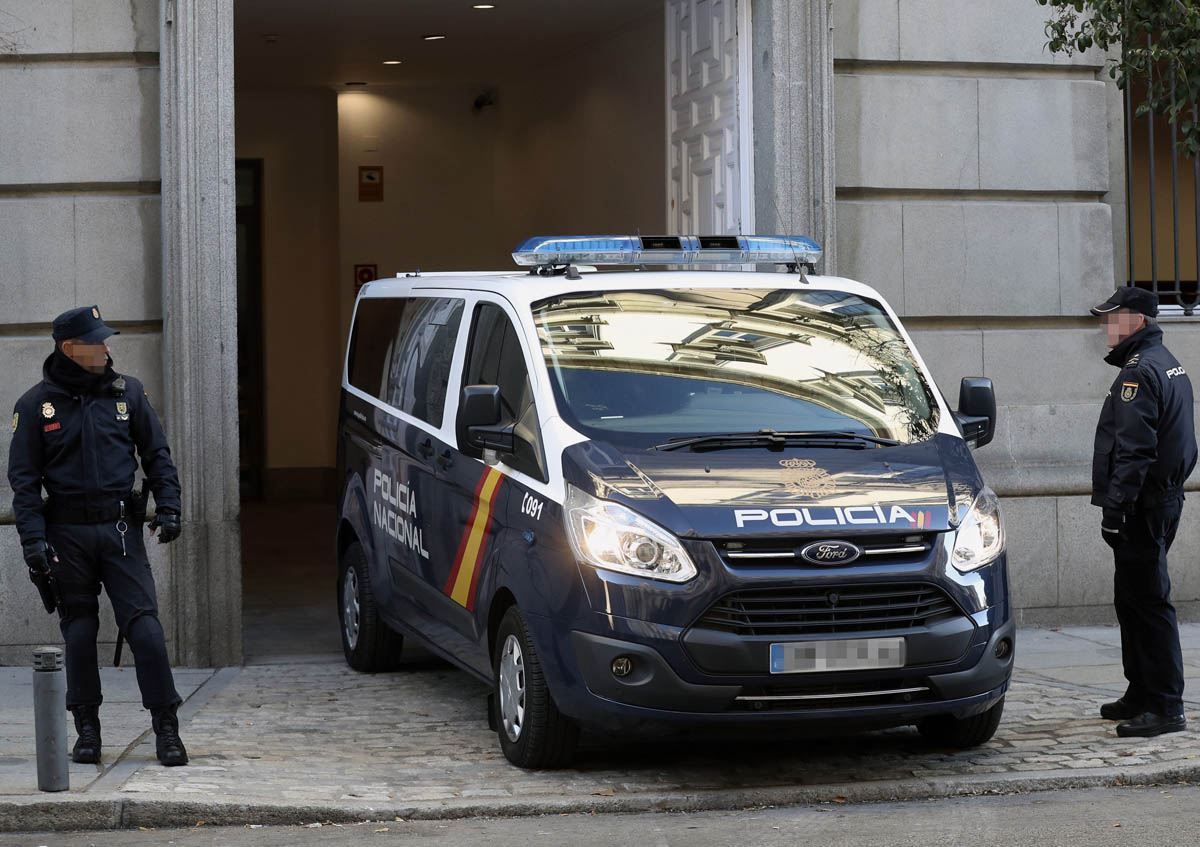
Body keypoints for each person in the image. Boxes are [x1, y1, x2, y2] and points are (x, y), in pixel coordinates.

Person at [7, 306, 189, 766]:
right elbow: (24, 484)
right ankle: (87, 729)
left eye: (107, 340)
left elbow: (157, 455)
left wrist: (169, 506)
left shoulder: (129, 393)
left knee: (145, 630)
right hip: (65, 535)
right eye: (97, 341)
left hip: (120, 529)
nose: (107, 348)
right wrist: (33, 542)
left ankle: (166, 726)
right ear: (70, 349)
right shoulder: (34, 406)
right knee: (81, 633)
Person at [1090, 287, 1196, 737]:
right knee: (1130, 600)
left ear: (1135, 321)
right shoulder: (1167, 361)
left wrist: (1117, 507)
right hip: (1159, 499)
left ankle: (1166, 705)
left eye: (1112, 319)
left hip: (1143, 505)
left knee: (1149, 603)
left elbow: (1135, 449)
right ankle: (1141, 691)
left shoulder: (1139, 372)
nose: (1105, 327)